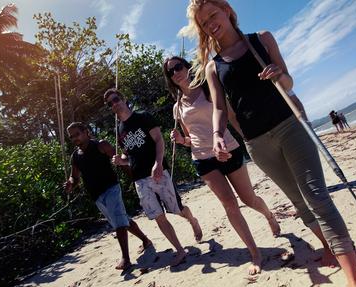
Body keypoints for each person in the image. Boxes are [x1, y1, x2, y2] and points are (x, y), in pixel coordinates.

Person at [186, 0, 356, 287]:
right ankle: (330, 245)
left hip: (290, 126)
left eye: (213, 15)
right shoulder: (212, 66)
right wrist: (219, 134)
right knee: (299, 201)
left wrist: (278, 74)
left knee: (317, 196)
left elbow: (288, 83)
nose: (209, 23)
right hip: (256, 143)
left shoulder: (261, 39)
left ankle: (355, 285)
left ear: (228, 12)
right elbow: (220, 107)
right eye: (203, 21)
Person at [163, 55, 282, 274]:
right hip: (202, 158)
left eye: (178, 67)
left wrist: (249, 138)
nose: (175, 73)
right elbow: (190, 139)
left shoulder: (209, 88)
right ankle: (255, 254)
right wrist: (181, 141)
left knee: (249, 199)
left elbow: (231, 115)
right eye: (170, 72)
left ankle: (269, 216)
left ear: (187, 67)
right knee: (229, 204)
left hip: (228, 148)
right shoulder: (177, 107)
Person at [105, 88, 201, 267]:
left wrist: (158, 163)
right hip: (140, 180)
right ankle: (180, 250)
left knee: (176, 209)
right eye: (110, 103)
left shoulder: (143, 117)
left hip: (159, 173)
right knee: (158, 216)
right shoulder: (120, 131)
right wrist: (121, 161)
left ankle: (192, 220)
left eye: (116, 99)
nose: (114, 104)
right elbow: (129, 157)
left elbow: (159, 140)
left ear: (124, 99)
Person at [64, 122, 152, 270]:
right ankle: (146, 240)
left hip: (111, 187)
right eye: (71, 137)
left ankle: (126, 258)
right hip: (96, 195)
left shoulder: (101, 145)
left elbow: (121, 163)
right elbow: (75, 177)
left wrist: (134, 178)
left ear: (86, 131)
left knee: (118, 222)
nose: (74, 139)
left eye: (77, 134)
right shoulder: (75, 156)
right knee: (122, 220)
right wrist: (70, 183)